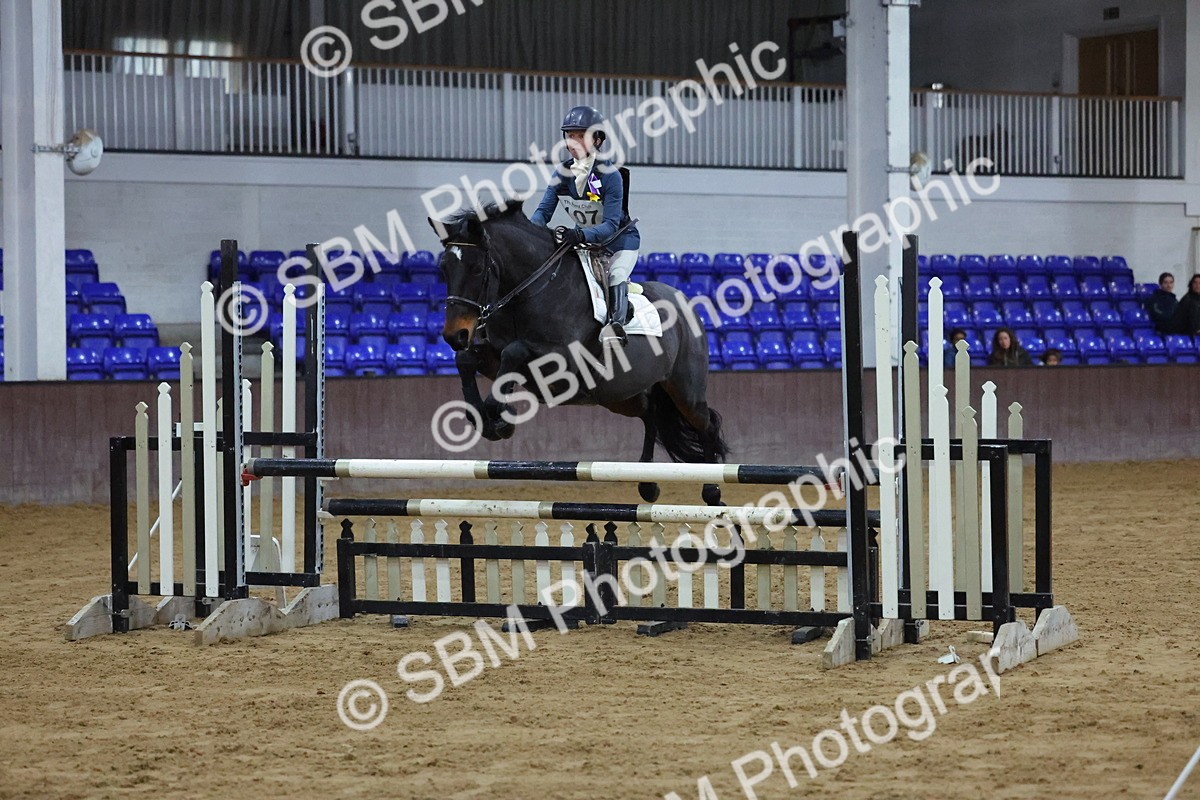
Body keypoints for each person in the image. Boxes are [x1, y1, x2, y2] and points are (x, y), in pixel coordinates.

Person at [530, 105, 641, 344]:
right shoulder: (562, 173)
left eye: (581, 136)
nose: (574, 142)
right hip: (585, 243)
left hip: (619, 242)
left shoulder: (610, 175)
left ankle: (616, 327)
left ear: (597, 139)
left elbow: (611, 225)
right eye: (570, 136)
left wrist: (579, 235)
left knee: (617, 274)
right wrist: (527, 233)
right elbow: (542, 213)